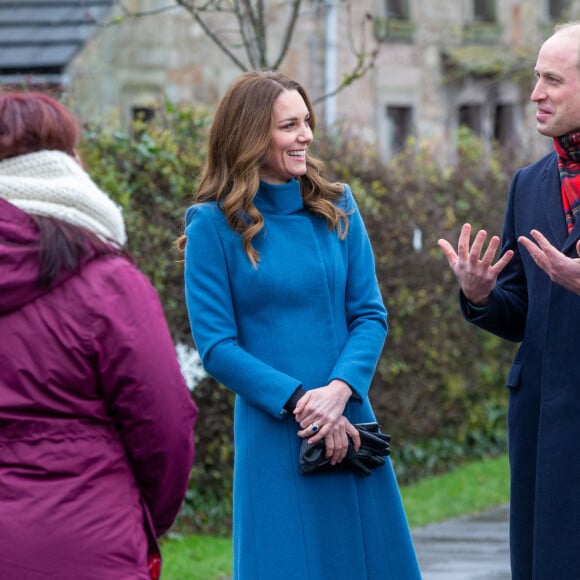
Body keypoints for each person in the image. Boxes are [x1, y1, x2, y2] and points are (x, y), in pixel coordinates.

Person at [179, 70, 420, 580]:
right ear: (251, 137)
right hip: (276, 432)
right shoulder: (212, 226)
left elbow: (370, 314)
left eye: (306, 122)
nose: (305, 135)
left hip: (350, 418)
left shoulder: (338, 207)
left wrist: (337, 393)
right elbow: (218, 346)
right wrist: (302, 403)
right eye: (289, 126)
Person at [0, 92, 198, 579]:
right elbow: (165, 425)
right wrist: (141, 515)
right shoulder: (108, 283)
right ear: (67, 164)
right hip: (86, 539)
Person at [438, 22, 580, 580]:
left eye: (552, 80)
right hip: (545, 427)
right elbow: (520, 310)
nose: (534, 94)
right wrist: (480, 295)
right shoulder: (530, 184)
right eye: (534, 77)